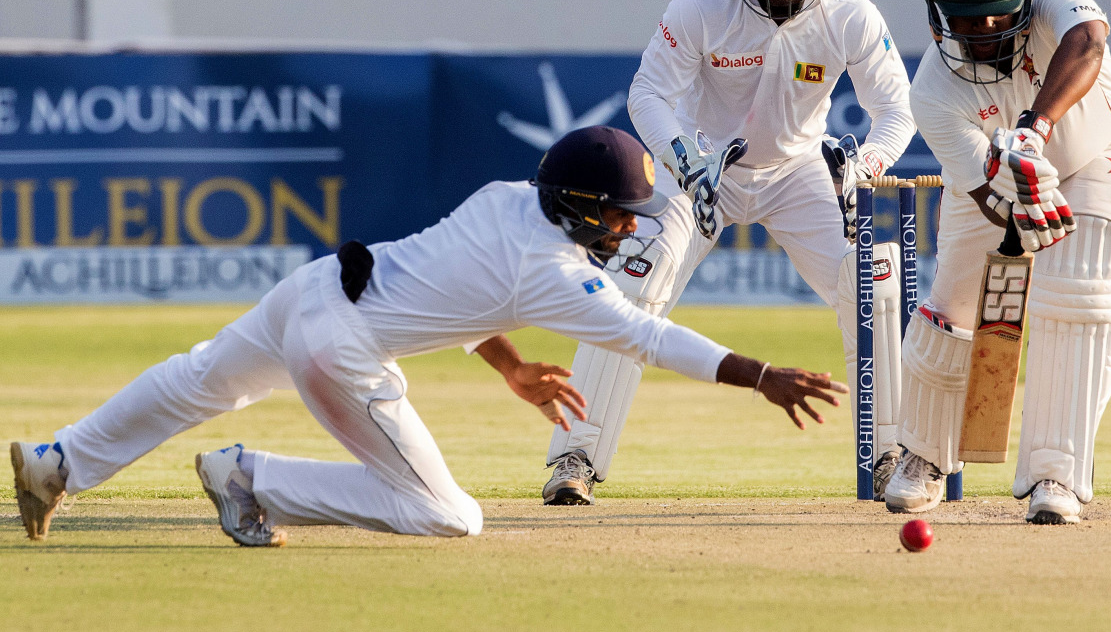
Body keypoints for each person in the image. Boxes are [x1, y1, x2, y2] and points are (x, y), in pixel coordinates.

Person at [11, 125, 848, 545]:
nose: (629, 234)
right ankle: (248, 477)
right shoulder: (556, 273)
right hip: (339, 346)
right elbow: (650, 339)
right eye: (621, 218)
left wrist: (513, 368)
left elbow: (452, 294)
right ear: (583, 207)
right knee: (447, 514)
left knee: (197, 377)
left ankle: (60, 460)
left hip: (314, 285)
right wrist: (760, 372)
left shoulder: (502, 195)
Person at [541, 0, 915, 506]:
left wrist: (866, 165)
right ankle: (574, 457)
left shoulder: (851, 15)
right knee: (632, 286)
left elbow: (895, 111)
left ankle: (890, 456)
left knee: (871, 281)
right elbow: (648, 96)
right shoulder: (700, 6)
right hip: (704, 171)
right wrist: (686, 159)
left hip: (798, 173)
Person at [883, 0, 1111, 524]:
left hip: (1101, 152)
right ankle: (925, 455)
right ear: (936, 14)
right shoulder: (930, 89)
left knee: (1074, 294)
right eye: (964, 19)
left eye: (996, 17)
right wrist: (1018, 198)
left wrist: (1036, 129)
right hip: (997, 181)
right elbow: (982, 192)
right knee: (952, 305)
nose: (981, 35)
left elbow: (1088, 42)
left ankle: (1055, 475)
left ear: (1026, 1)